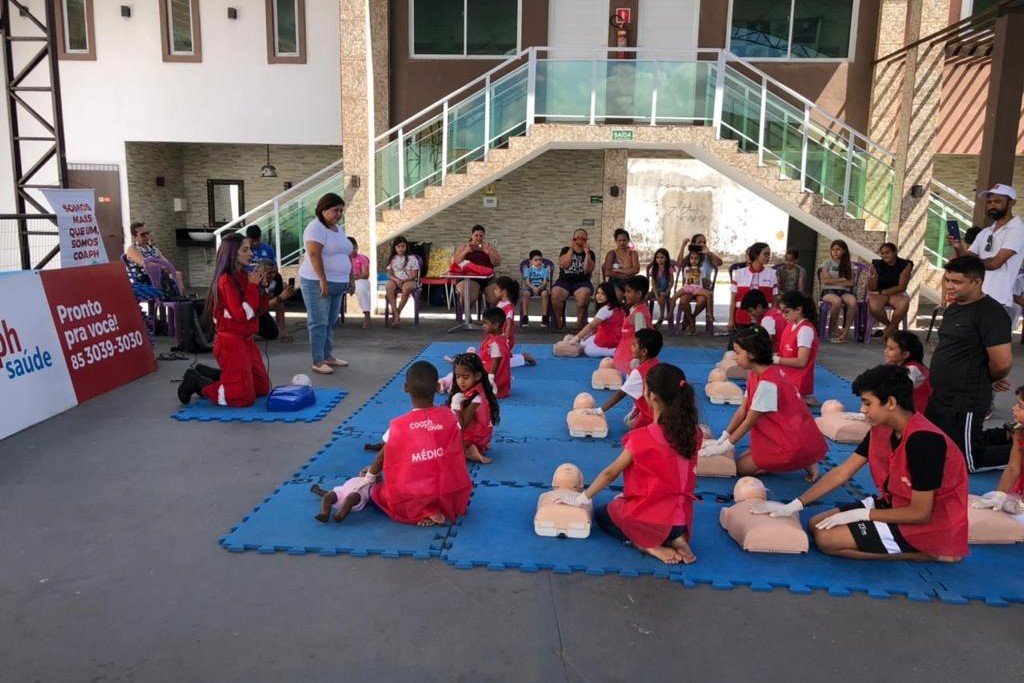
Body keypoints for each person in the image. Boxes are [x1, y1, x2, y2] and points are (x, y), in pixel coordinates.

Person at [759, 364, 969, 563]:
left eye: (868, 403)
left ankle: (926, 553)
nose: (862, 409)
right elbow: (842, 472)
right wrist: (795, 505)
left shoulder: (925, 441)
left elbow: (921, 513)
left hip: (930, 523)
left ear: (891, 403)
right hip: (895, 504)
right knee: (815, 525)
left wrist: (862, 515)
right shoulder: (881, 428)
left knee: (827, 541)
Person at [558, 363, 702, 565]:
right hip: (681, 520)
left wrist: (582, 498)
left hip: (653, 521)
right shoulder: (694, 433)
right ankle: (677, 538)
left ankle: (649, 546)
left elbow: (610, 473)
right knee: (626, 501)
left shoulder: (642, 438)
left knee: (603, 515)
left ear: (651, 396)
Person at [925, 255, 1013, 472]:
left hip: (966, 398)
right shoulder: (955, 307)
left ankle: (1018, 454)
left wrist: (989, 378)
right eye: (947, 280)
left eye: (956, 282)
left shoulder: (991, 313)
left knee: (965, 461)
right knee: (934, 448)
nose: (949, 286)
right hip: (941, 395)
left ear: (977, 282)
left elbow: (1002, 362)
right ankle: (1006, 434)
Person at [359, 361, 472, 526]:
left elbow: (380, 459)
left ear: (406, 388)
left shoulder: (398, 425)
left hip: (414, 492)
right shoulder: (450, 417)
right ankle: (436, 506)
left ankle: (422, 511)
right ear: (437, 387)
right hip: (447, 490)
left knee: (377, 492)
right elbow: (458, 451)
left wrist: (370, 477)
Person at [704, 327, 826, 481]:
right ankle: (802, 458)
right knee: (745, 455)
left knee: (741, 467)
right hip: (787, 434)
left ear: (752, 354)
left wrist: (724, 447)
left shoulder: (767, 383)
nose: (734, 357)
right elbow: (743, 410)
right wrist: (724, 436)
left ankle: (804, 459)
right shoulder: (757, 373)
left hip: (792, 441)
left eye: (737, 352)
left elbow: (749, 420)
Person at [176, 234, 270, 406]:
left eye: (250, 249)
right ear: (233, 253)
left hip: (246, 340)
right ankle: (198, 381)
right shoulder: (225, 281)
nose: (251, 254)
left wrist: (262, 289)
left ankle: (218, 375)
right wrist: (252, 287)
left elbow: (260, 310)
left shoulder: (244, 276)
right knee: (242, 398)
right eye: (245, 250)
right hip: (231, 343)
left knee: (262, 388)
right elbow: (241, 315)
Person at [947, 183, 1024, 319]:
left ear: (1012, 203)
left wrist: (969, 261)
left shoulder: (1017, 230)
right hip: (974, 298)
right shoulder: (986, 232)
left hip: (997, 300)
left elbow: (995, 263)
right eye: (989, 202)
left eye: (997, 201)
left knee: (993, 341)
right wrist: (958, 247)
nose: (992, 205)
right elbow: (966, 260)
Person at [298, 192, 352, 375]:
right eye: (334, 210)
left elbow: (345, 254)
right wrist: (322, 279)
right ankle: (318, 360)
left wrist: (349, 278)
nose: (338, 214)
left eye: (340, 211)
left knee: (330, 321)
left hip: (338, 282)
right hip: (317, 282)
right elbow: (314, 255)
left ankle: (327, 355)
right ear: (322, 210)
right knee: (319, 322)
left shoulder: (338, 228)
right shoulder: (315, 228)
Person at [594, 328, 662, 432]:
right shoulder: (657, 363)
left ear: (644, 351)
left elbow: (620, 394)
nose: (631, 347)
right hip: (663, 413)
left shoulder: (638, 373)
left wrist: (599, 411)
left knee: (631, 434)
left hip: (652, 417)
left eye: (634, 345)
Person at [972, 385, 1024, 516]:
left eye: (1021, 406)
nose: (1014, 408)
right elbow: (1013, 466)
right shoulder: (1019, 430)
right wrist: (999, 495)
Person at [448, 352, 501, 464]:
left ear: (477, 376)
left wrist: (455, 404)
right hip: (481, 436)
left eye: (465, 377)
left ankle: (470, 451)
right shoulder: (475, 390)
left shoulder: (477, 397)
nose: (461, 381)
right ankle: (477, 446)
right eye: (457, 376)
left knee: (439, 445)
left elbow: (461, 426)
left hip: (472, 438)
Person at [775, 290, 820, 406]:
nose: (783, 316)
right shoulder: (790, 325)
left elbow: (801, 362)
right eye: (782, 312)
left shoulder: (805, 330)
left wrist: (776, 360)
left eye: (786, 312)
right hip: (786, 377)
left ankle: (804, 398)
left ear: (799, 310)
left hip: (797, 381)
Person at [551, 228, 596, 331]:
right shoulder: (565, 250)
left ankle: (579, 325)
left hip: (582, 281)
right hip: (564, 281)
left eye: (582, 237)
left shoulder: (590, 253)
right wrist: (571, 249)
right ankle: (559, 322)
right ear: (573, 239)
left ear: (586, 239)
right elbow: (564, 265)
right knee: (555, 293)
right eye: (577, 237)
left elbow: (587, 270)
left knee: (583, 296)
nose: (579, 239)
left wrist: (587, 254)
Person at [451, 224, 502, 315]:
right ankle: (467, 317)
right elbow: (455, 262)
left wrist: (489, 253)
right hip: (469, 277)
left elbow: (497, 263)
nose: (478, 238)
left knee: (495, 297)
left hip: (487, 278)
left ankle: (490, 319)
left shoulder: (489, 247)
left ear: (484, 236)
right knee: (467, 296)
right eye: (476, 235)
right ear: (472, 235)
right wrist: (466, 251)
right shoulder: (464, 247)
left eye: (481, 235)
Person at [124, 221, 185, 296]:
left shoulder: (152, 248)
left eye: (147, 233)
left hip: (159, 274)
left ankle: (180, 300)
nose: (146, 236)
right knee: (169, 278)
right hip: (145, 278)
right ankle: (174, 300)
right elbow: (147, 264)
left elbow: (165, 262)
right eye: (143, 235)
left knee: (177, 274)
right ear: (135, 237)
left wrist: (165, 266)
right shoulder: (132, 249)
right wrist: (163, 266)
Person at [867, 242, 912, 339]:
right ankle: (892, 328)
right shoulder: (876, 264)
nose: (884, 255)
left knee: (904, 304)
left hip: (896, 292)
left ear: (895, 252)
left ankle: (887, 331)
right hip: (879, 292)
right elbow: (872, 288)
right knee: (874, 307)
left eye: (887, 252)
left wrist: (881, 292)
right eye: (882, 253)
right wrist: (872, 278)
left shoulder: (905, 265)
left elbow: (901, 287)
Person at [729, 242, 777, 334]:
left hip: (765, 320)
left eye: (769, 254)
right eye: (765, 254)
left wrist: (773, 318)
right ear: (756, 255)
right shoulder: (739, 273)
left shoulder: (772, 274)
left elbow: (774, 300)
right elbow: (733, 299)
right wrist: (731, 319)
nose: (768, 257)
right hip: (742, 318)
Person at [818, 239, 858, 343]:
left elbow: (851, 283)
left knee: (852, 301)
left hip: (844, 291)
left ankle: (846, 330)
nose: (835, 252)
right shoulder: (827, 263)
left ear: (844, 251)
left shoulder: (849, 264)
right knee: (836, 301)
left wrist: (834, 281)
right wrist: (842, 279)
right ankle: (835, 328)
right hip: (829, 291)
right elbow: (826, 280)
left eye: (838, 249)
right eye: (833, 249)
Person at [883, 330, 931, 413]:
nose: (885, 351)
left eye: (890, 348)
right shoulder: (901, 367)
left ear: (905, 354)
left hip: (919, 415)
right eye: (886, 347)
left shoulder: (912, 369)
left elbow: (897, 392)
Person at [613, 275, 652, 376]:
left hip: (631, 362)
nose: (625, 294)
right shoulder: (634, 309)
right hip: (625, 356)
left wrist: (636, 359)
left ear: (639, 294)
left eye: (628, 291)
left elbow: (642, 339)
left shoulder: (639, 314)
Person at [571, 281, 623, 357]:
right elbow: (596, 327)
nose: (599, 296)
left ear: (610, 295)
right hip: (613, 336)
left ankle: (615, 352)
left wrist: (576, 338)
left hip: (610, 339)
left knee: (588, 351)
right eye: (598, 293)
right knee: (583, 342)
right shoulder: (615, 307)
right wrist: (584, 337)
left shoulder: (606, 309)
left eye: (603, 294)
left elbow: (591, 326)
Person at [493, 276, 536, 367]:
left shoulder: (508, 307)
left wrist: (506, 340)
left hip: (504, 339)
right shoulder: (500, 304)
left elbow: (509, 325)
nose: (494, 291)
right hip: (497, 337)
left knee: (500, 363)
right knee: (493, 357)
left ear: (503, 291)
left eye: (496, 289)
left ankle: (523, 357)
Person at [673, 248, 713, 335]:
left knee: (704, 299)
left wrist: (708, 282)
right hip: (688, 288)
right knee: (681, 301)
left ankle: (693, 318)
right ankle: (691, 321)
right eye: (692, 258)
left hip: (698, 289)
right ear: (689, 258)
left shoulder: (701, 268)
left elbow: (704, 280)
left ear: (699, 260)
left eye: (696, 258)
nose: (694, 260)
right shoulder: (686, 267)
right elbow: (685, 280)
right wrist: (683, 245)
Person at [254, 258, 295, 342]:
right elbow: (255, 306)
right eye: (269, 272)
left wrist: (283, 331)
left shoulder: (277, 278)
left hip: (263, 309)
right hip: (250, 311)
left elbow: (279, 305)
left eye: (274, 272)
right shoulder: (253, 280)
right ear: (259, 272)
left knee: (272, 333)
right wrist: (279, 298)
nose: (272, 275)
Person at [383, 236, 421, 328]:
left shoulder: (412, 258)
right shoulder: (393, 259)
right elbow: (389, 274)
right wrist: (396, 280)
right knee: (388, 286)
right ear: (395, 247)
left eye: (403, 246)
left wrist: (403, 280)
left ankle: (397, 313)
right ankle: (395, 313)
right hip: (395, 280)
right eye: (398, 247)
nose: (401, 249)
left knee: (406, 288)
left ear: (406, 247)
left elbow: (414, 275)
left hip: (409, 280)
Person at [478, 307, 512, 399]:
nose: (483, 326)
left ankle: (444, 383)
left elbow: (496, 362)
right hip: (502, 381)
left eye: (485, 323)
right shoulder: (502, 338)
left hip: (493, 379)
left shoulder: (495, 343)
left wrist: (490, 378)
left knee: (464, 374)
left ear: (495, 325)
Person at [520, 249, 551, 327]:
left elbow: (545, 282)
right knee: (526, 294)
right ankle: (525, 316)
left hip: (541, 287)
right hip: (531, 287)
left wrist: (539, 288)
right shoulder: (528, 270)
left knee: (545, 293)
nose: (538, 262)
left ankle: (544, 317)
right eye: (536, 260)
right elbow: (527, 281)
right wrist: (533, 287)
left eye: (540, 260)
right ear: (531, 261)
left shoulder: (544, 270)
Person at [646, 248, 675, 329]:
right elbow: (653, 284)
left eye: (662, 257)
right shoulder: (653, 269)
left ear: (666, 258)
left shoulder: (669, 268)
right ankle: (646, 316)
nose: (659, 259)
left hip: (665, 291)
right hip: (655, 291)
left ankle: (661, 316)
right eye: (657, 257)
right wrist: (656, 295)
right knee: (645, 297)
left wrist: (667, 292)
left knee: (662, 296)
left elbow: (671, 282)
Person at [349, 236, 371, 329]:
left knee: (361, 288)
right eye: (351, 248)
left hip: (359, 280)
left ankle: (367, 316)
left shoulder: (362, 258)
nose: (354, 250)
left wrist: (352, 279)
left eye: (355, 247)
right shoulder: (342, 259)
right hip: (344, 281)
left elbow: (365, 274)